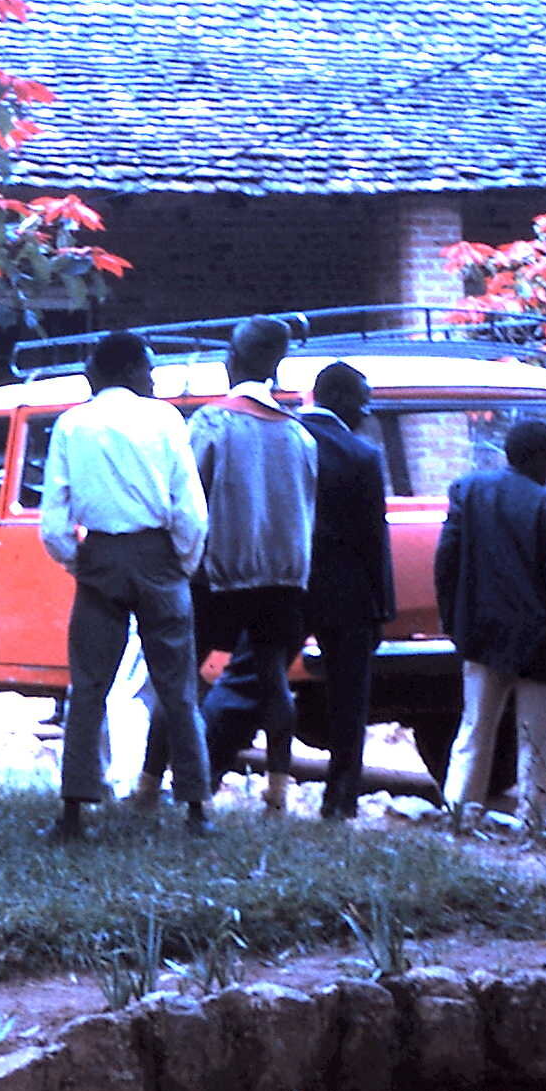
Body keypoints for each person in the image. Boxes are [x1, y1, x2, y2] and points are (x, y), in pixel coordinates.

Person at [40, 330, 214, 841]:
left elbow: (54, 517)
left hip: (100, 554)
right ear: (136, 370)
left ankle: (74, 809)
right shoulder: (164, 419)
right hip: (159, 553)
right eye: (150, 369)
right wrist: (181, 560)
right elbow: (190, 508)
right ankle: (197, 807)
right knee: (177, 686)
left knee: (88, 685)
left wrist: (79, 560)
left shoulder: (73, 423)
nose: (154, 378)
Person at [183, 319, 316, 812]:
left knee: (183, 681)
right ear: (276, 365)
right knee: (273, 680)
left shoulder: (211, 423)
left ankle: (160, 784)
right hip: (283, 577)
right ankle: (277, 791)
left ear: (229, 362)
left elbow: (190, 498)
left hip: (218, 574)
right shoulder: (299, 434)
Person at [435, 418, 546, 832]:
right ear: (537, 458)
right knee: (540, 734)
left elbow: (446, 562)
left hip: (480, 631)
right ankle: (534, 820)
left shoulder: (468, 492)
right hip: (540, 640)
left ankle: (460, 810)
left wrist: (452, 621)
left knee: (474, 725)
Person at [294, 361, 394, 820]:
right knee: (350, 700)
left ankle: (205, 771)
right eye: (361, 402)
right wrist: (381, 607)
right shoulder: (363, 455)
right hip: (347, 592)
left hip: (285, 582)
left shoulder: (286, 439)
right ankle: (340, 799)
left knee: (250, 683)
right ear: (341, 400)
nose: (366, 411)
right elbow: (375, 538)